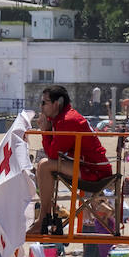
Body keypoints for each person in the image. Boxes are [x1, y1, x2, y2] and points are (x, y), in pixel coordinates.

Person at [34, 85, 112, 235]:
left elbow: (52, 155)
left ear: (57, 104)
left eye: (44, 102)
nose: (41, 106)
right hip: (87, 166)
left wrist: (45, 131)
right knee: (43, 165)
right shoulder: (61, 118)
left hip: (95, 171)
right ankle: (43, 218)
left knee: (44, 165)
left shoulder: (67, 120)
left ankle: (43, 218)